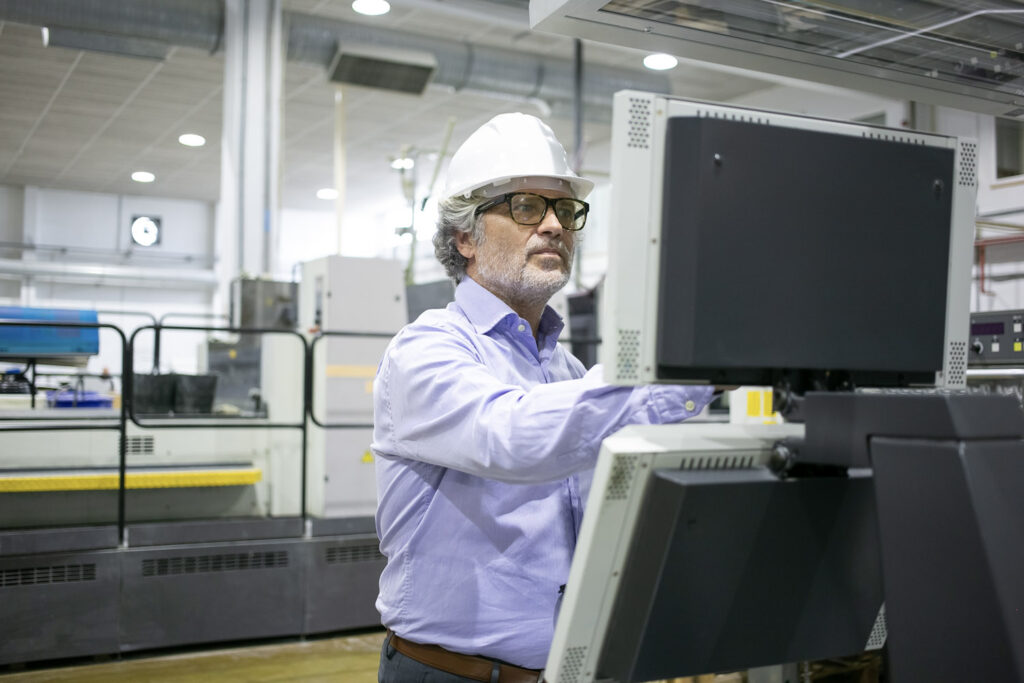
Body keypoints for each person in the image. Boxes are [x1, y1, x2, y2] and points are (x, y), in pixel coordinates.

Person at [373, 112, 713, 682]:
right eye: (527, 207)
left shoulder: (566, 367)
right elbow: (514, 437)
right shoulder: (426, 350)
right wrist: (683, 369)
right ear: (465, 237)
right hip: (453, 675)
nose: (554, 225)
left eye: (564, 209)